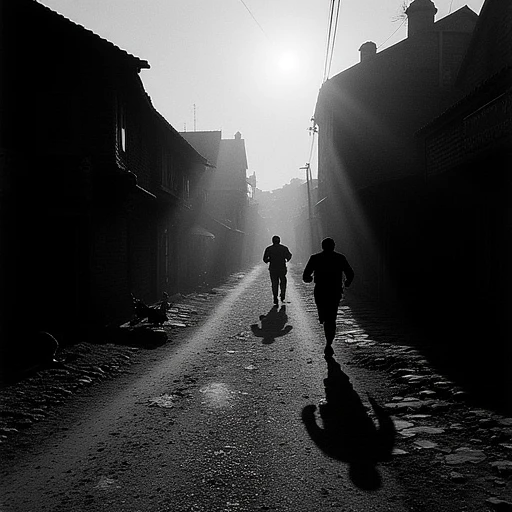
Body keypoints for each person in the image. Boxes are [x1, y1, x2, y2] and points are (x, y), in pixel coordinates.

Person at [302, 237, 354, 358]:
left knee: (325, 317)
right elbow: (350, 273)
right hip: (334, 291)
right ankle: (329, 342)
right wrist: (347, 282)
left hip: (320, 290)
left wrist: (309, 279)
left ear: (322, 246)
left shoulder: (315, 258)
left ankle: (328, 343)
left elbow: (306, 276)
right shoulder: (340, 258)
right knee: (332, 316)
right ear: (333, 246)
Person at [263, 235, 292, 305]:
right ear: (279, 241)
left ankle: (275, 297)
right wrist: (286, 259)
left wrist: (269, 260)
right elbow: (289, 256)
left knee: (274, 283)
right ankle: (282, 295)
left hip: (273, 268)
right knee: (283, 282)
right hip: (282, 267)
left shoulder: (269, 249)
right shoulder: (284, 248)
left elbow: (265, 259)